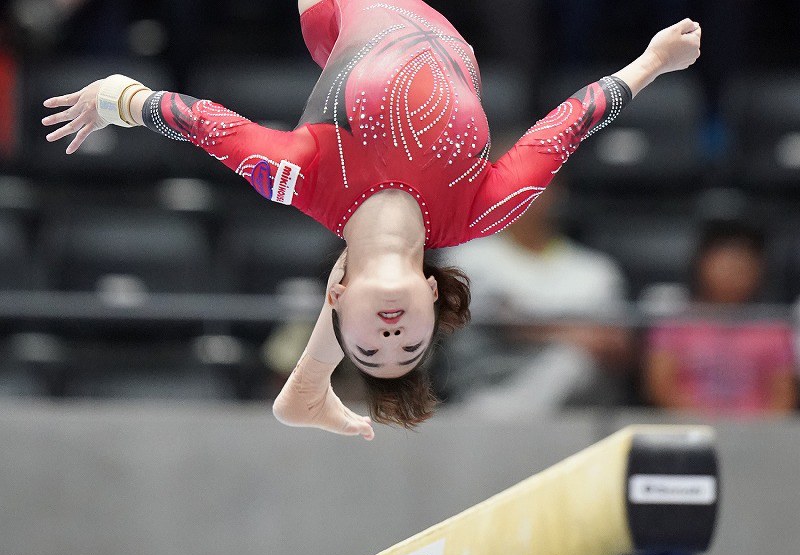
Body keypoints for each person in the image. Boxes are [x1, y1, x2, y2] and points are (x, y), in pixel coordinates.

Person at [42, 0, 702, 439]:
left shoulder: (298, 177)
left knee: (368, 242)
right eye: (408, 345)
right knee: (377, 243)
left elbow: (199, 123)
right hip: (441, 22)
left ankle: (307, 385)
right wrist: (651, 63)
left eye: (368, 348)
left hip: (337, 12)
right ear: (435, 299)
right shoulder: (482, 208)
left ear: (335, 303)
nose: (390, 336)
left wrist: (115, 98)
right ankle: (304, 388)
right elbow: (572, 122)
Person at [446, 180, 632, 414]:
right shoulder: (468, 256)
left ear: (558, 190)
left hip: (578, 412)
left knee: (573, 361)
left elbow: (615, 344)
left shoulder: (597, 271)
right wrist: (577, 334)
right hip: (484, 397)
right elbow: (504, 323)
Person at [644, 220, 797, 415]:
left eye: (743, 264)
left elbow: (784, 396)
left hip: (758, 435)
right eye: (726, 262)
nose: (733, 272)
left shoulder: (772, 326)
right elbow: (660, 386)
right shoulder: (677, 320)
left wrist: (751, 432)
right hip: (687, 429)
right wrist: (704, 421)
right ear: (702, 264)